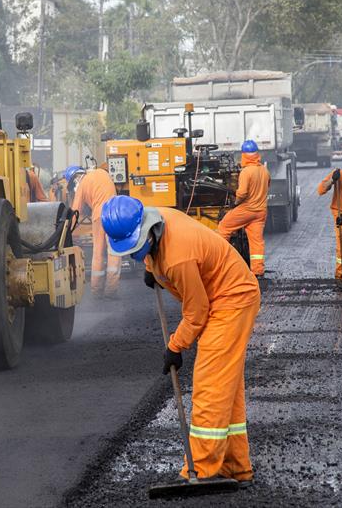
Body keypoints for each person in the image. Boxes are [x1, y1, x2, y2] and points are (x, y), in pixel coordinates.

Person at [101, 195, 260, 487]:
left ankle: (200, 469)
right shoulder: (156, 219)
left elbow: (197, 312)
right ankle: (236, 466)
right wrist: (152, 270)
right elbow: (157, 254)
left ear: (147, 230)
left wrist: (175, 347)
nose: (136, 254)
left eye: (137, 248)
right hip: (220, 297)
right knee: (227, 387)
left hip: (231, 300)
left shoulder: (178, 258)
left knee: (209, 383)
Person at [216, 140, 270, 277]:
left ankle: (219, 263)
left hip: (247, 210)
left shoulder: (246, 172)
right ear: (257, 154)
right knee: (256, 241)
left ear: (244, 155)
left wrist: (236, 203)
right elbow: (267, 185)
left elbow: (242, 193)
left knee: (223, 228)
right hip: (261, 211)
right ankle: (258, 271)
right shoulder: (264, 170)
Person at [67, 165, 120, 297]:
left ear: (75, 179)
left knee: (98, 252)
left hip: (99, 216)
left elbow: (75, 212)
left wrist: (66, 232)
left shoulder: (82, 184)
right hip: (115, 215)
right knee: (114, 252)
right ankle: (111, 290)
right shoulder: (102, 173)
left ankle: (96, 290)